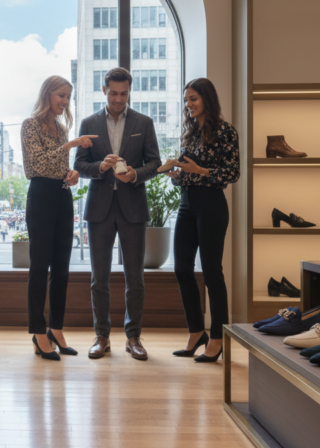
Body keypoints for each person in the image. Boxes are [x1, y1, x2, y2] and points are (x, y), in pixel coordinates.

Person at [74, 67, 161, 361]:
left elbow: (155, 163)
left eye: (124, 93)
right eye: (113, 93)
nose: (119, 99)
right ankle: (102, 336)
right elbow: (79, 165)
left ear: (129, 92)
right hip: (99, 209)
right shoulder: (89, 123)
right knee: (99, 278)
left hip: (132, 208)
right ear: (104, 90)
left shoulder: (144, 122)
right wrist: (100, 167)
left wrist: (135, 174)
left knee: (135, 278)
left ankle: (133, 337)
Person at [167, 78, 240, 363]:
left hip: (211, 205)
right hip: (187, 204)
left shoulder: (225, 131)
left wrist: (201, 170)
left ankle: (218, 337)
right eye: (186, 100)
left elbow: (232, 172)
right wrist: (177, 175)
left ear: (207, 99)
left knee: (211, 272)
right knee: (182, 269)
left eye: (193, 99)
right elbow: (187, 174)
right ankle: (196, 332)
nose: (189, 104)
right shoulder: (190, 134)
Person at [22, 75, 92, 361]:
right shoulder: (30, 125)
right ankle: (39, 333)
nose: (65, 101)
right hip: (40, 196)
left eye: (68, 97)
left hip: (63, 196)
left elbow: (59, 167)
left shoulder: (62, 129)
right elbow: (37, 164)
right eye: (61, 95)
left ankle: (57, 329)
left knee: (62, 268)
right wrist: (70, 146)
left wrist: (72, 174)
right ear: (48, 95)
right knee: (40, 267)